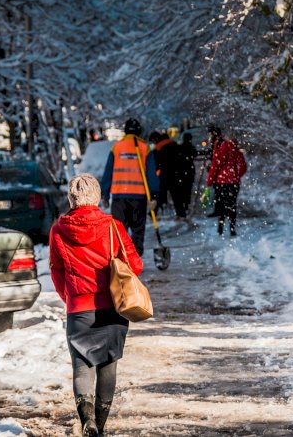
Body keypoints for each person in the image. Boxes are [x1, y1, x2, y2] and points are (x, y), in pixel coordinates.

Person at [50, 174, 144, 437]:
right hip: (111, 308)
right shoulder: (113, 226)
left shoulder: (58, 230)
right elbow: (135, 266)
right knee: (108, 365)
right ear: (97, 196)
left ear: (71, 198)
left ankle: (86, 420)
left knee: (81, 366)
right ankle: (100, 426)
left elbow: (56, 271)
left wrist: (69, 298)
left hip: (78, 309)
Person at [100, 118, 159, 255]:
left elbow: (108, 172)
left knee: (119, 231)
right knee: (138, 230)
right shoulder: (145, 148)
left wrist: (105, 193)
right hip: (139, 197)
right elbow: (151, 174)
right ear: (139, 131)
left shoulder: (117, 147)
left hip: (119, 198)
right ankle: (135, 259)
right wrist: (154, 195)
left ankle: (120, 260)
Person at [203, 129, 247, 236]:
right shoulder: (236, 151)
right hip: (234, 182)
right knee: (232, 204)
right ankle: (232, 228)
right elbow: (243, 166)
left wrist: (209, 183)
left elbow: (213, 169)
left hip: (221, 182)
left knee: (222, 204)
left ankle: (220, 227)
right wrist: (236, 175)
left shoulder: (220, 151)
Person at [150, 132, 186, 218]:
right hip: (176, 174)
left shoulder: (158, 149)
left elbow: (155, 163)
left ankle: (154, 212)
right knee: (176, 195)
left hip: (164, 175)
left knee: (160, 194)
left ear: (156, 139)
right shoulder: (174, 145)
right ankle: (181, 213)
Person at [176, 132, 197, 217]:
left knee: (181, 190)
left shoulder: (180, 148)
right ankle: (186, 205)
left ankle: (182, 206)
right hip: (189, 171)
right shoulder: (191, 148)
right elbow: (194, 155)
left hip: (181, 172)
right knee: (187, 190)